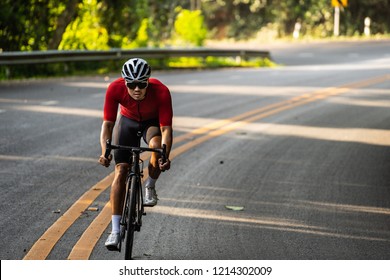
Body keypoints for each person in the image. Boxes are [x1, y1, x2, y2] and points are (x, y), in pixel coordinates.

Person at [98, 58, 173, 250]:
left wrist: (165, 155)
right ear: (125, 82)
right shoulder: (115, 88)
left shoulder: (161, 91)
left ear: (148, 81)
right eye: (131, 84)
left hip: (151, 123)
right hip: (127, 122)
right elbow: (107, 125)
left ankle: (150, 186)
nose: (137, 89)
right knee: (121, 170)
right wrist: (105, 151)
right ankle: (115, 231)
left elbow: (165, 130)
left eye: (141, 84)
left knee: (156, 145)